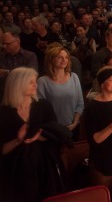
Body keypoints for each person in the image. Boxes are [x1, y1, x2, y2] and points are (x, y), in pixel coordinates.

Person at [0, 67, 71, 201]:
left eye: (35, 81)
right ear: (17, 84)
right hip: (16, 172)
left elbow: (56, 135)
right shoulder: (4, 113)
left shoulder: (43, 105)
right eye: (31, 82)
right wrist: (18, 140)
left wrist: (39, 136)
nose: (36, 85)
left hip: (45, 166)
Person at [37, 46, 84, 139]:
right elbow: (41, 109)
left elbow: (80, 103)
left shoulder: (74, 77)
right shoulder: (42, 81)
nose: (64, 60)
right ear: (51, 59)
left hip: (73, 127)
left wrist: (75, 123)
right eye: (60, 57)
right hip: (52, 129)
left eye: (66, 57)